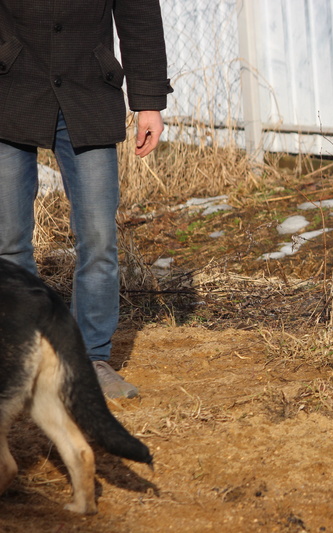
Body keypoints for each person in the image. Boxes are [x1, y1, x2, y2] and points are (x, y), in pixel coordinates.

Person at [0, 1, 173, 399]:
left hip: (88, 93)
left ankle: (89, 360)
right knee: (9, 239)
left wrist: (148, 102)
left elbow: (139, 16)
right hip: (11, 85)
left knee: (98, 238)